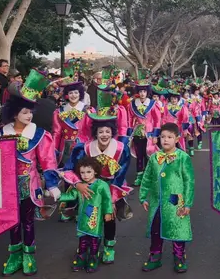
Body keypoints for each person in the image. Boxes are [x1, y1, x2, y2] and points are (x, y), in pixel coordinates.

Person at [0, 71, 60, 276]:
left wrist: (51, 184)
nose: (29, 116)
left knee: (28, 221)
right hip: (7, 185)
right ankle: (14, 255)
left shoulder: (40, 134)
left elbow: (48, 161)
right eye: (25, 112)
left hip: (30, 184)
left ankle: (29, 255)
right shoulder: (1, 133)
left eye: (30, 112)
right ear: (15, 113)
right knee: (11, 221)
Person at [64, 88, 132, 264]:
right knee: (86, 216)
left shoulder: (120, 149)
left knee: (108, 217)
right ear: (95, 132)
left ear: (113, 132)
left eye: (108, 132)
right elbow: (70, 169)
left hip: (112, 187)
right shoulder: (84, 148)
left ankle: (109, 247)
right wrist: (78, 184)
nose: (104, 135)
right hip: (88, 188)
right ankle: (85, 247)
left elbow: (121, 173)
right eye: (101, 131)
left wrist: (109, 197)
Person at [139, 123, 194, 273]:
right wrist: (143, 196)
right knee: (156, 229)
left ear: (177, 139)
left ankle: (179, 256)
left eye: (169, 137)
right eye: (162, 137)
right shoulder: (155, 157)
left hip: (176, 201)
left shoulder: (183, 157)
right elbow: (147, 177)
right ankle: (155, 256)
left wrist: (188, 203)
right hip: (157, 201)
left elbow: (189, 181)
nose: (165, 140)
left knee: (177, 229)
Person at [59, 156, 114, 272]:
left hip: (95, 218)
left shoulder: (101, 185)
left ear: (95, 171)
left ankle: (93, 258)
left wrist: (108, 212)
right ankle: (81, 257)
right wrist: (56, 195)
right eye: (82, 172)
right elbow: (70, 196)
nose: (86, 175)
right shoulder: (80, 186)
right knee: (82, 240)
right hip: (82, 218)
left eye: (89, 172)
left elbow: (107, 200)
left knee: (94, 240)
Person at [129, 73, 161, 187]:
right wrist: (129, 134)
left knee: (149, 155)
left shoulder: (153, 104)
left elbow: (157, 120)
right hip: (137, 133)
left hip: (149, 133)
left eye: (144, 91)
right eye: (140, 91)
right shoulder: (132, 104)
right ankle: (139, 176)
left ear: (147, 92)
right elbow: (130, 119)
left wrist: (155, 135)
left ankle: (148, 176)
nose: (142, 94)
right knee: (139, 155)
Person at [52, 78, 91, 166]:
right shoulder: (59, 112)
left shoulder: (88, 111)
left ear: (80, 94)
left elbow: (91, 132)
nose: (73, 95)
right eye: (70, 93)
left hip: (83, 148)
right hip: (64, 150)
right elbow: (56, 133)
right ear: (66, 95)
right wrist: (54, 152)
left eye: (76, 93)